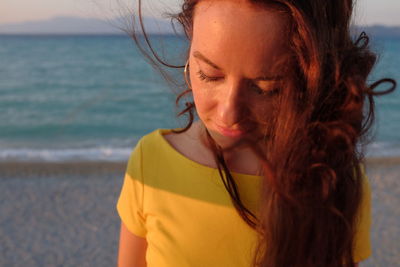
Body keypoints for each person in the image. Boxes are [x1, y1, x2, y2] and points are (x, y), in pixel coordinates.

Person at [116, 0, 396, 266]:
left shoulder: (331, 179)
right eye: (209, 75)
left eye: (266, 89)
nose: (229, 113)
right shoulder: (150, 161)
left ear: (313, 81)